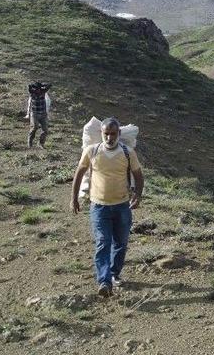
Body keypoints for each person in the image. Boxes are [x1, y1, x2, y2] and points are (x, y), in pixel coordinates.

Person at [71, 117, 144, 297]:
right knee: (103, 242)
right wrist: (74, 198)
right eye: (106, 134)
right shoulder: (92, 151)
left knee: (121, 243)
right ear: (101, 134)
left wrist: (138, 195)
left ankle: (113, 273)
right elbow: (79, 174)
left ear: (119, 134)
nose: (109, 138)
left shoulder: (127, 153)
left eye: (113, 134)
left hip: (122, 206)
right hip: (99, 206)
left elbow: (139, 175)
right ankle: (104, 282)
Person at [25, 82, 51, 148]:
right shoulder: (32, 93)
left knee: (45, 130)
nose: (38, 90)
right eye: (37, 89)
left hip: (43, 114)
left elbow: (49, 85)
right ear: (35, 89)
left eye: (39, 89)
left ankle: (41, 143)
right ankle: (30, 142)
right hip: (34, 114)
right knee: (34, 127)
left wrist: (42, 85)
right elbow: (29, 86)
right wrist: (33, 85)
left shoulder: (43, 91)